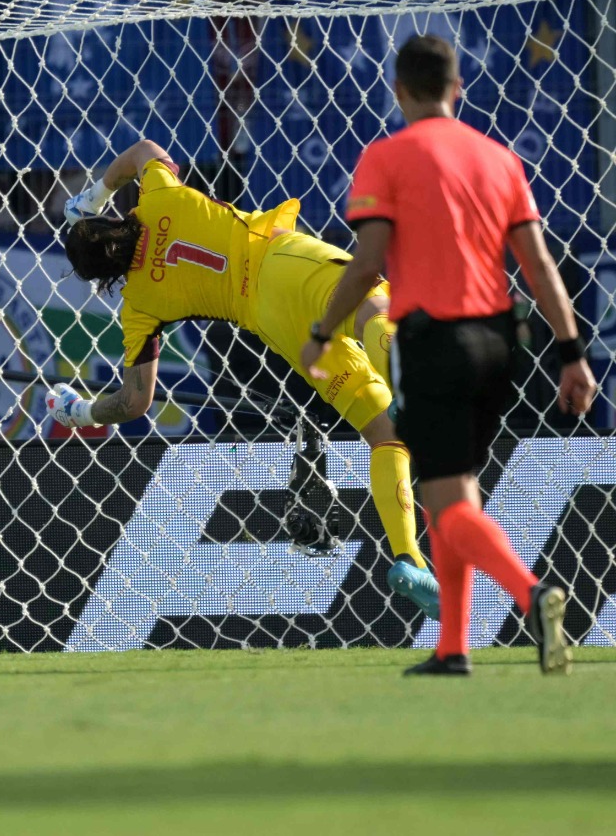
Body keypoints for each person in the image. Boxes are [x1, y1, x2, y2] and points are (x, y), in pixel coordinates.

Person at [46, 136, 441, 620]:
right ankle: (407, 381)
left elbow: (134, 402)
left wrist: (80, 409)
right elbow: (143, 149)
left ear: (102, 278)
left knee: (386, 435)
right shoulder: (160, 197)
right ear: (110, 223)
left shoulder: (140, 308)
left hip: (272, 323)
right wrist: (94, 195)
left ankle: (408, 558)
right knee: (372, 308)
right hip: (283, 261)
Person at [300, 34, 596, 677]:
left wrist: (323, 334)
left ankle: (532, 593)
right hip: (499, 344)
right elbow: (539, 265)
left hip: (431, 343)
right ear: (457, 89)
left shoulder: (385, 158)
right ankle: (453, 647)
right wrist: (572, 352)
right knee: (454, 492)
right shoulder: (499, 160)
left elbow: (368, 264)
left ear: (400, 90)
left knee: (448, 504)